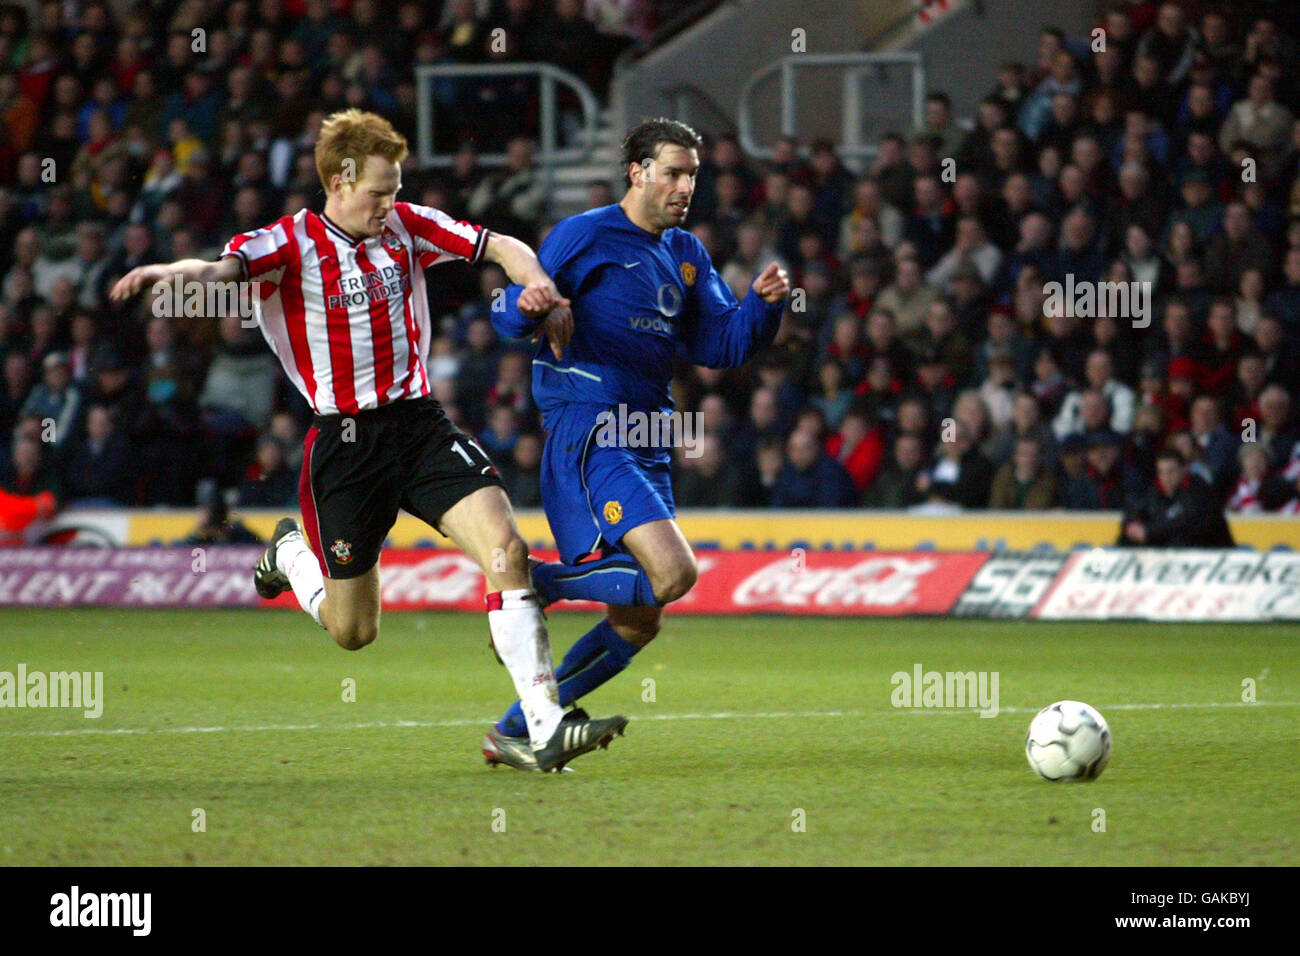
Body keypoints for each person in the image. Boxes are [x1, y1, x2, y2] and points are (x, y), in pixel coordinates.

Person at [110, 109, 624, 773]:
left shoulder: (409, 226)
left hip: (419, 425)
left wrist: (538, 283)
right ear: (338, 181)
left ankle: (544, 724)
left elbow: (501, 245)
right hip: (345, 446)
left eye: (398, 187)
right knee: (354, 632)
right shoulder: (288, 243)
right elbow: (218, 271)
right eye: (381, 190)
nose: (392, 202)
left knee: (507, 549)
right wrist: (167, 274)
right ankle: (292, 555)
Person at [485, 117, 790, 769]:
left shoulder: (686, 254)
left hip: (648, 435)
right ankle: (535, 585)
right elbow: (505, 310)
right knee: (674, 573)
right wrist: (530, 304)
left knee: (641, 617)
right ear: (638, 172)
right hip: (592, 425)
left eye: (693, 176)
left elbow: (719, 346)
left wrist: (762, 308)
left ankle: (519, 728)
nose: (685, 186)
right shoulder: (585, 235)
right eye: (674, 172)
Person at [1120, 448, 1235, 547]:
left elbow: (1183, 522)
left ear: (1184, 469)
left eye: (1171, 471)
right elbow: (1136, 510)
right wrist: (1132, 525)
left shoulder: (1199, 490)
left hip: (1209, 553)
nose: (1166, 477)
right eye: (1161, 472)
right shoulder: (1155, 492)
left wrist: (1148, 532)